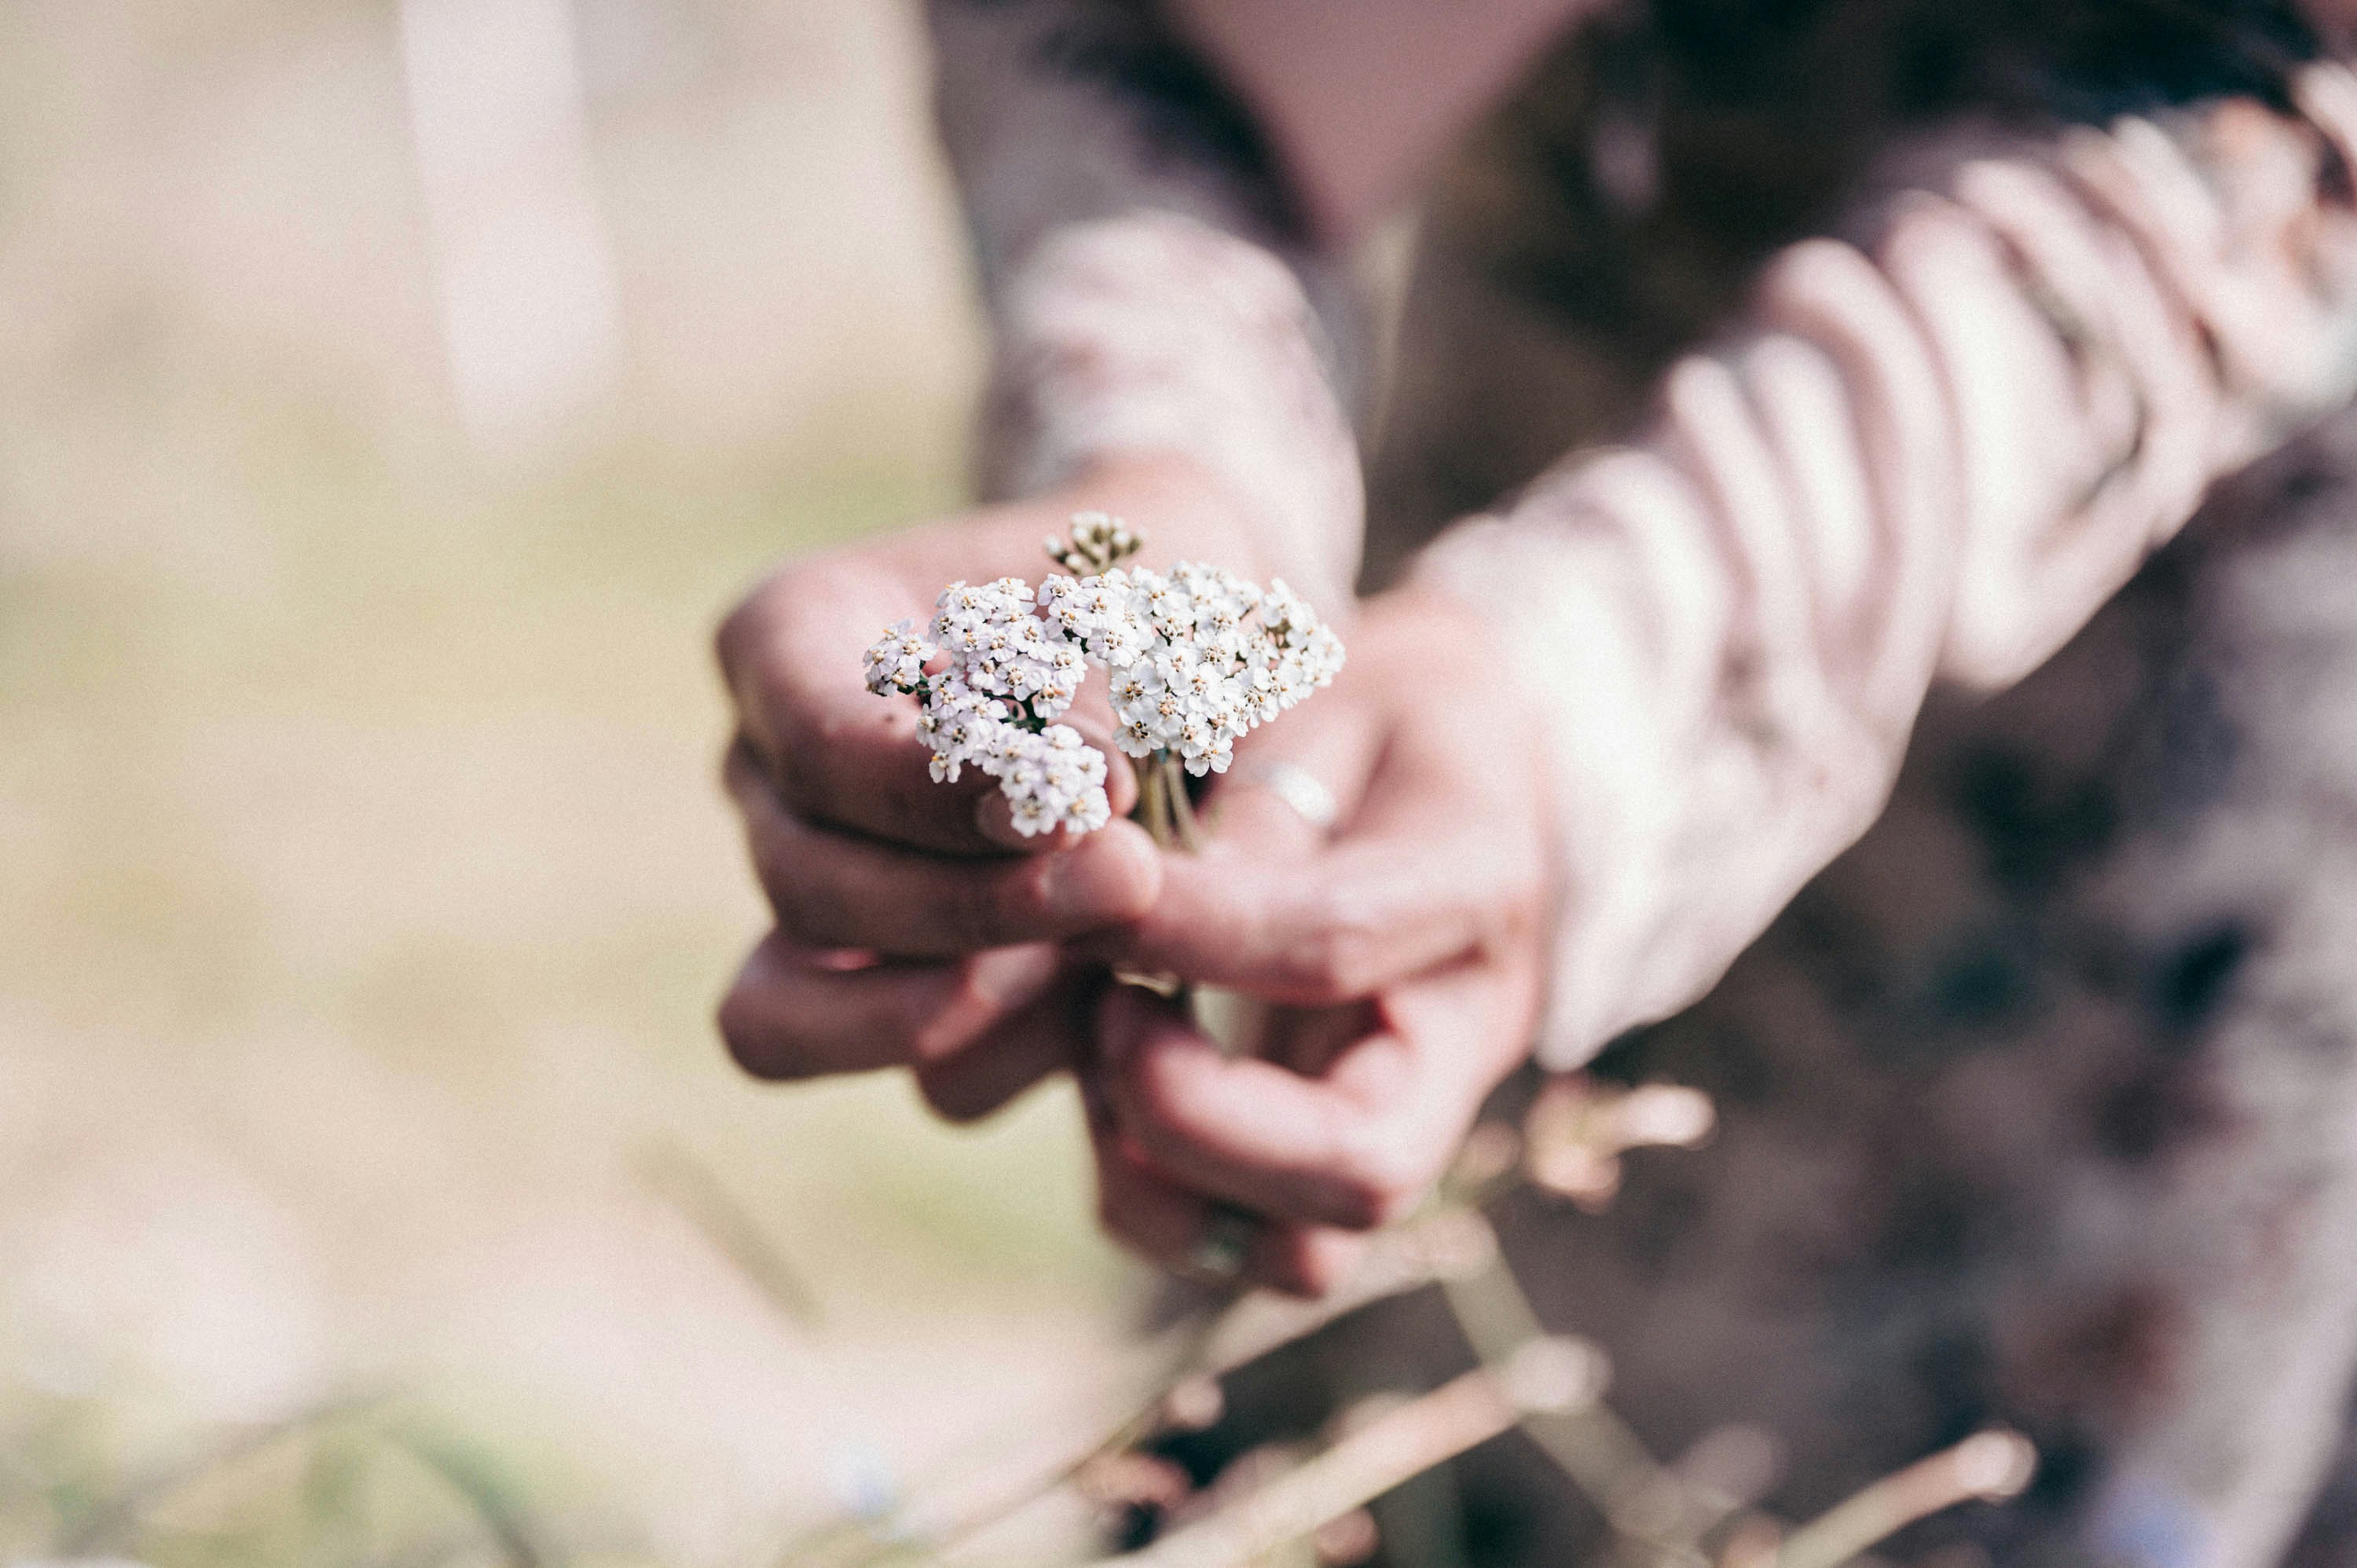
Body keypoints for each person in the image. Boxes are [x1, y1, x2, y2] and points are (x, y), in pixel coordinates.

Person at [715, 0, 2357, 1555]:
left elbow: (2282, 94)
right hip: (1530, 422)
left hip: (2163, 640)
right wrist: (1161, 465)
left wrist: (1598, 677)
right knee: (1369, 1390)